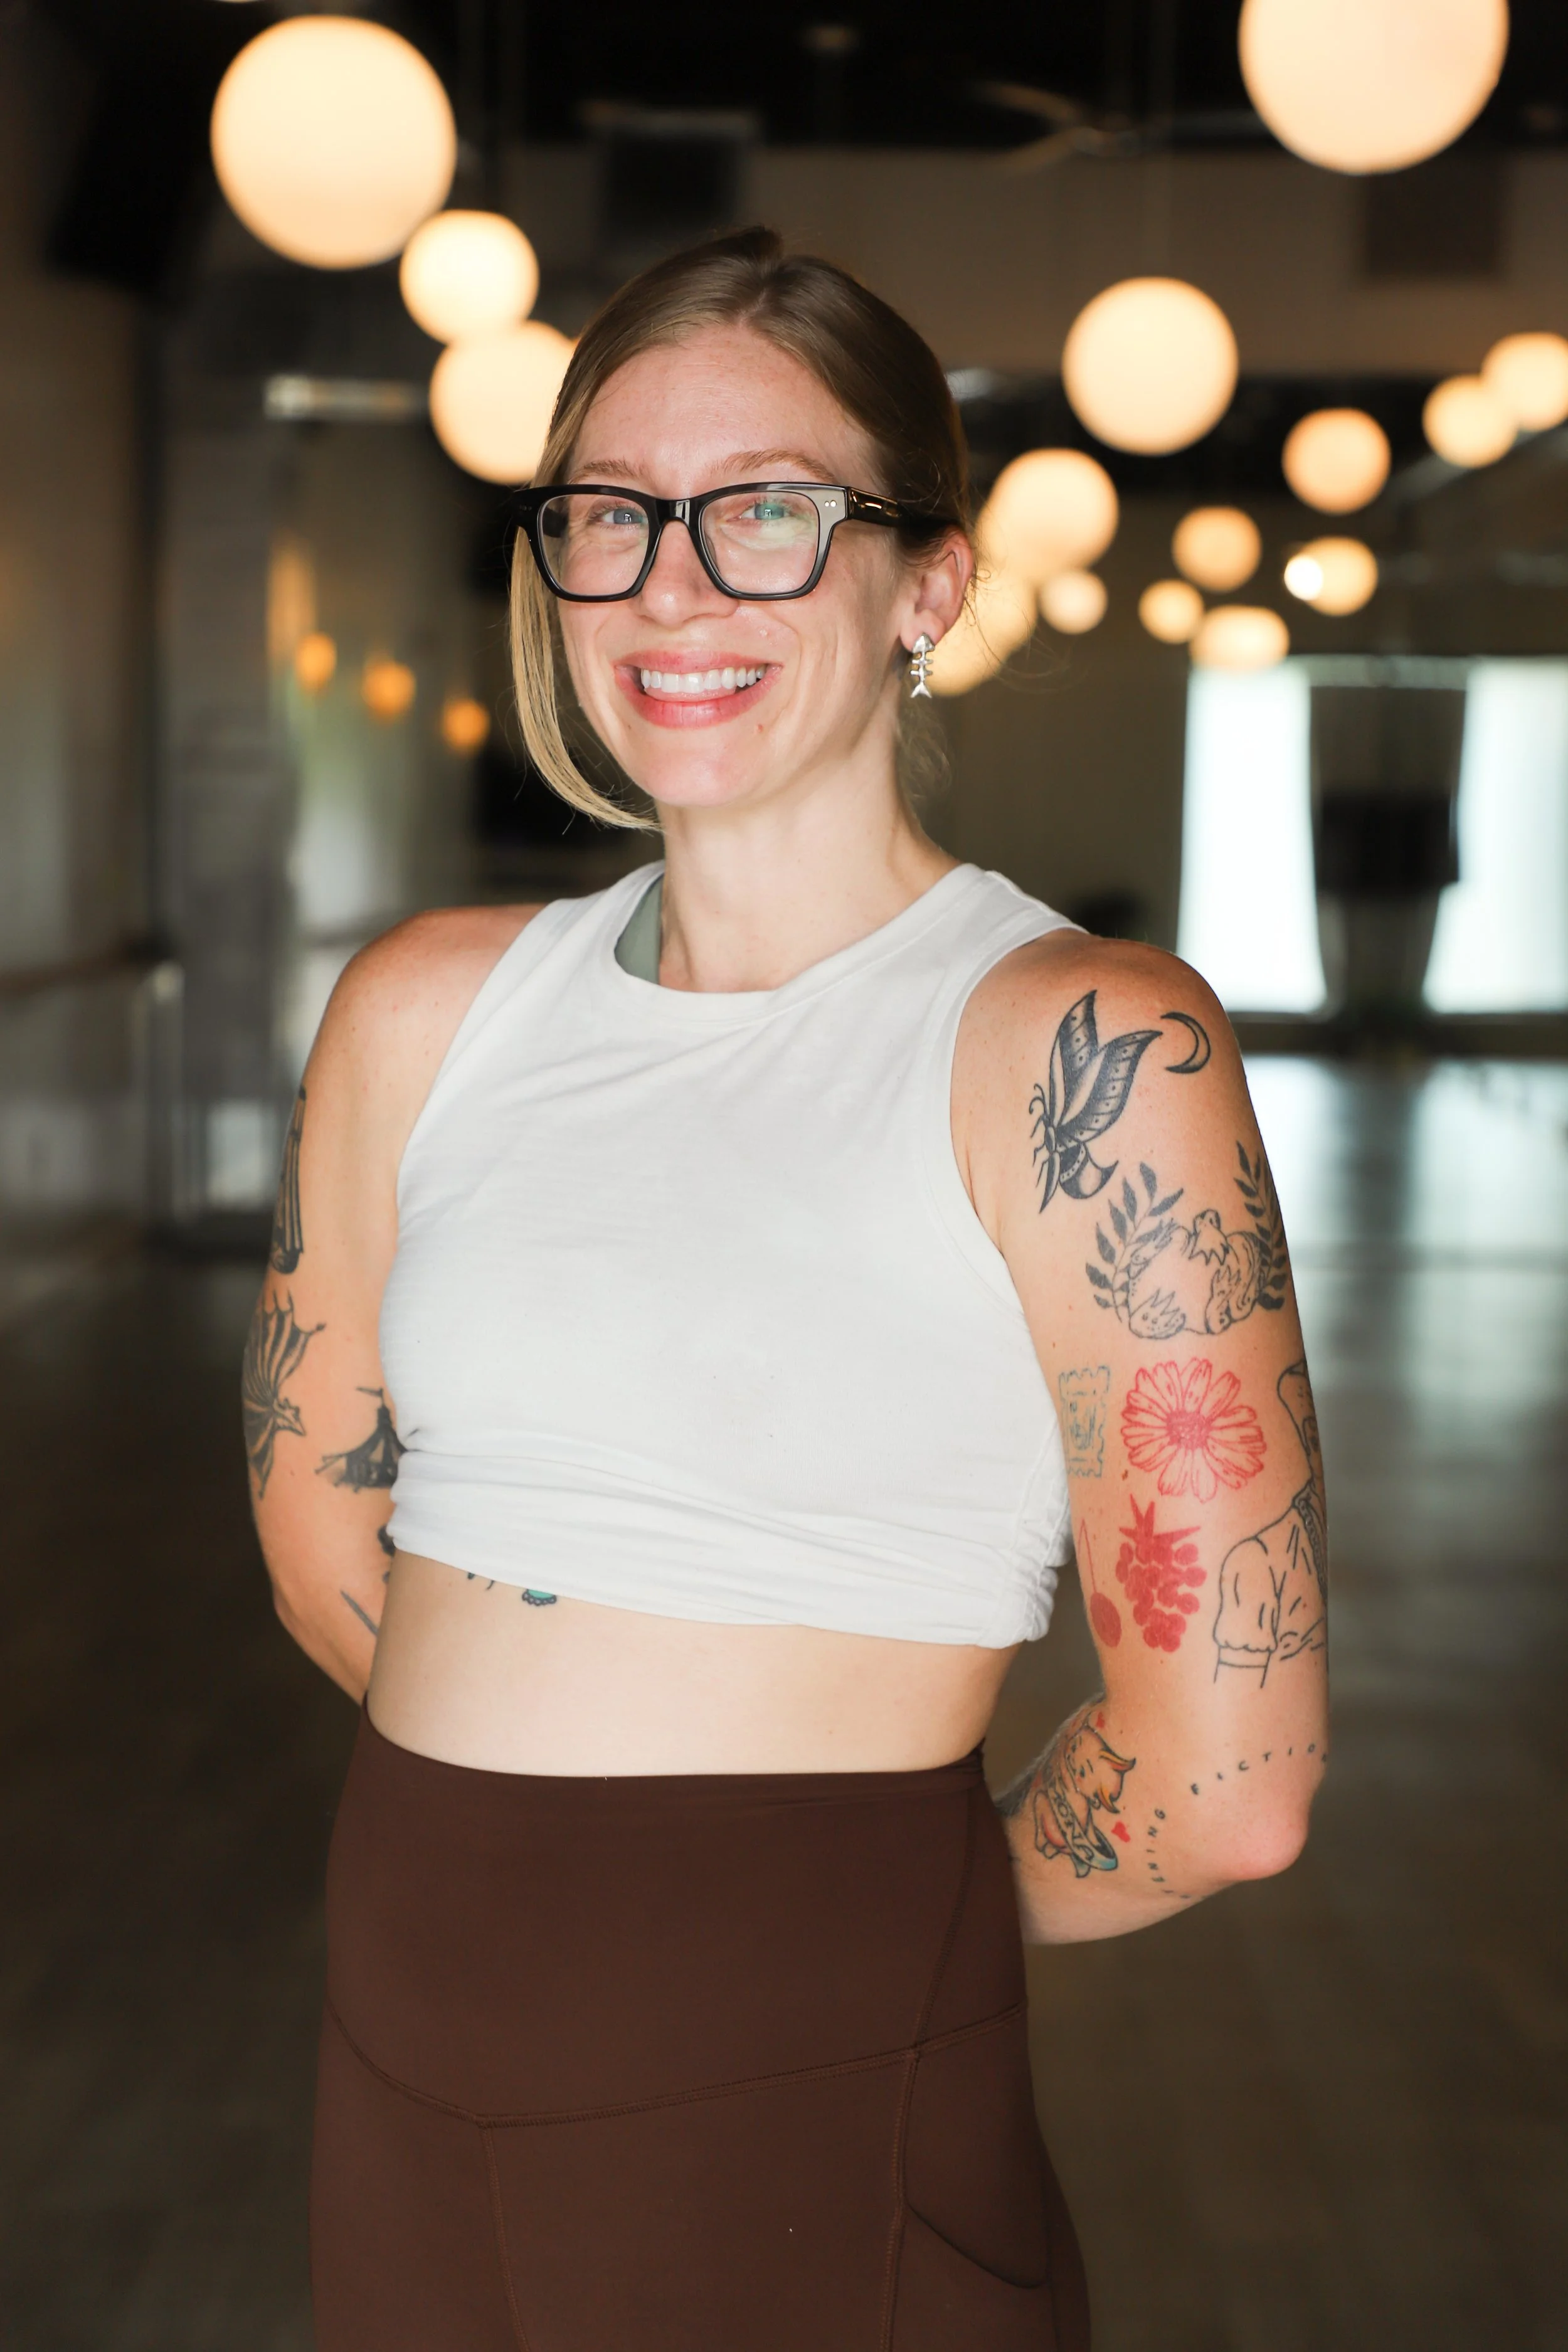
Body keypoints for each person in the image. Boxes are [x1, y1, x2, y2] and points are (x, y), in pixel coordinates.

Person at [245, 226, 1328, 2352]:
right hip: (398, 2028)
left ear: (925, 579)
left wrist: (828, 1907)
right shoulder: (421, 1010)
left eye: (762, 516)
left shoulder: (1085, 1054)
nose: (668, 587)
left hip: (812, 2080)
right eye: (609, 517)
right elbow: (314, 1520)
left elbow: (1232, 1776)